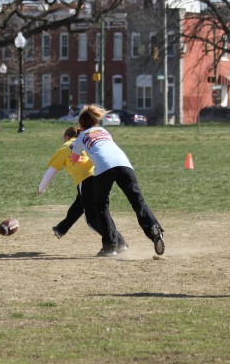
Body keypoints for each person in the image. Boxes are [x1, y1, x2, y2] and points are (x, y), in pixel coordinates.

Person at [69, 104, 164, 257]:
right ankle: (154, 228)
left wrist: (73, 148)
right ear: (95, 121)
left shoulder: (80, 137)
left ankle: (110, 246)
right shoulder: (104, 131)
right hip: (124, 165)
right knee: (137, 201)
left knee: (100, 206)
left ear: (81, 124)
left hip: (103, 169)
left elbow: (75, 159)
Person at [38, 126, 127, 250]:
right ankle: (61, 228)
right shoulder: (86, 142)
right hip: (102, 175)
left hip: (86, 179)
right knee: (86, 205)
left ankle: (118, 242)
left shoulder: (66, 147)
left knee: (92, 219)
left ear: (67, 137)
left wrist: (41, 188)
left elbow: (51, 172)